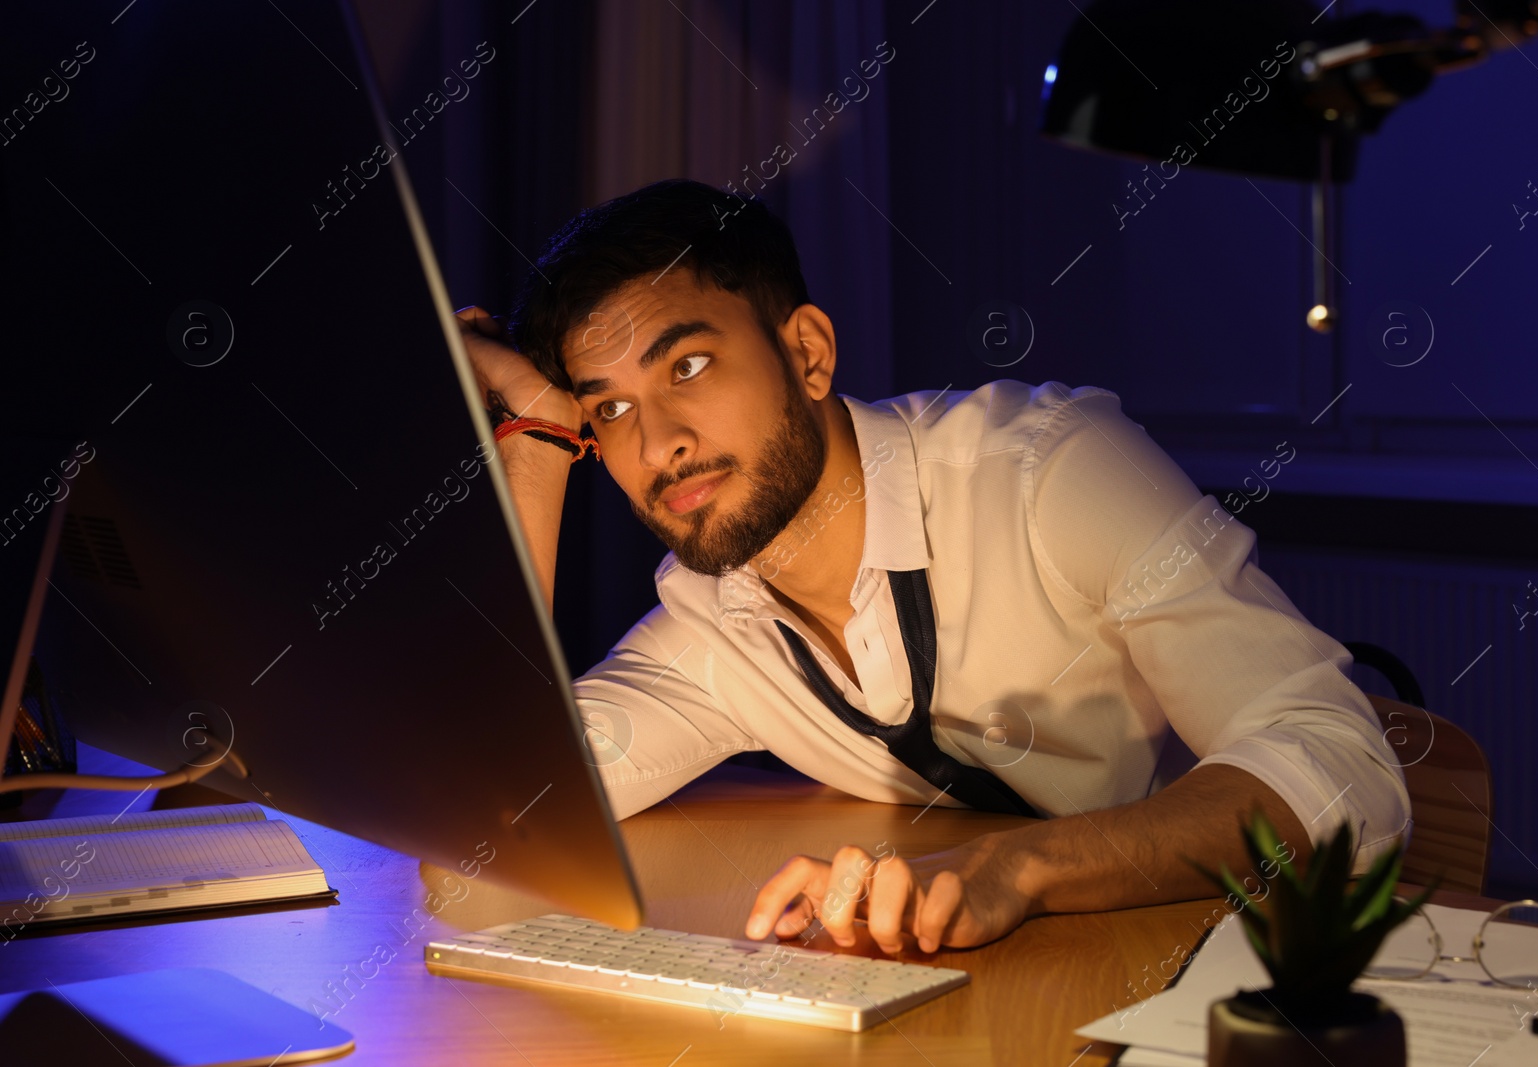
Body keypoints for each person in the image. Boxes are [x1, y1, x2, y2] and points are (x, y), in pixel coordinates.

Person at [456, 178, 1409, 957]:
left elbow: (1344, 771)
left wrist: (1022, 865)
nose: (657, 441)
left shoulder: (1048, 473)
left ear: (808, 352)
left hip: (1215, 969)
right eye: (609, 409)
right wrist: (538, 437)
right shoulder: (715, 624)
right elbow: (487, 804)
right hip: (986, 996)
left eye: (689, 367)